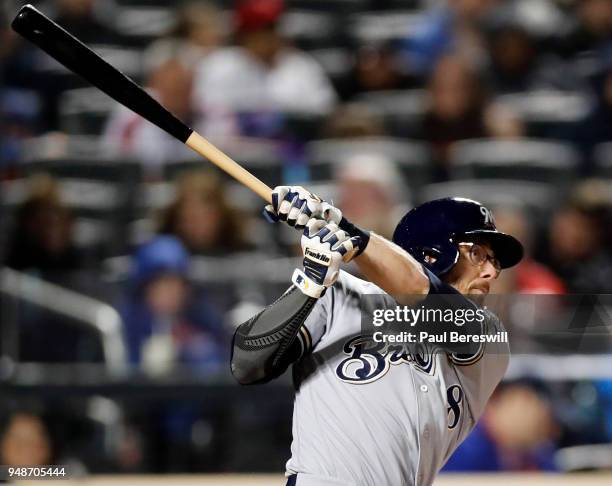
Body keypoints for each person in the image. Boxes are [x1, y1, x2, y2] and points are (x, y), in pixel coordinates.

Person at [231, 187, 523, 485]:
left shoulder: (487, 334)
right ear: (433, 253)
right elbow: (247, 364)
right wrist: (310, 283)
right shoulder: (338, 291)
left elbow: (416, 287)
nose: (491, 272)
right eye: (477, 254)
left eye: (494, 261)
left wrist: (344, 229)